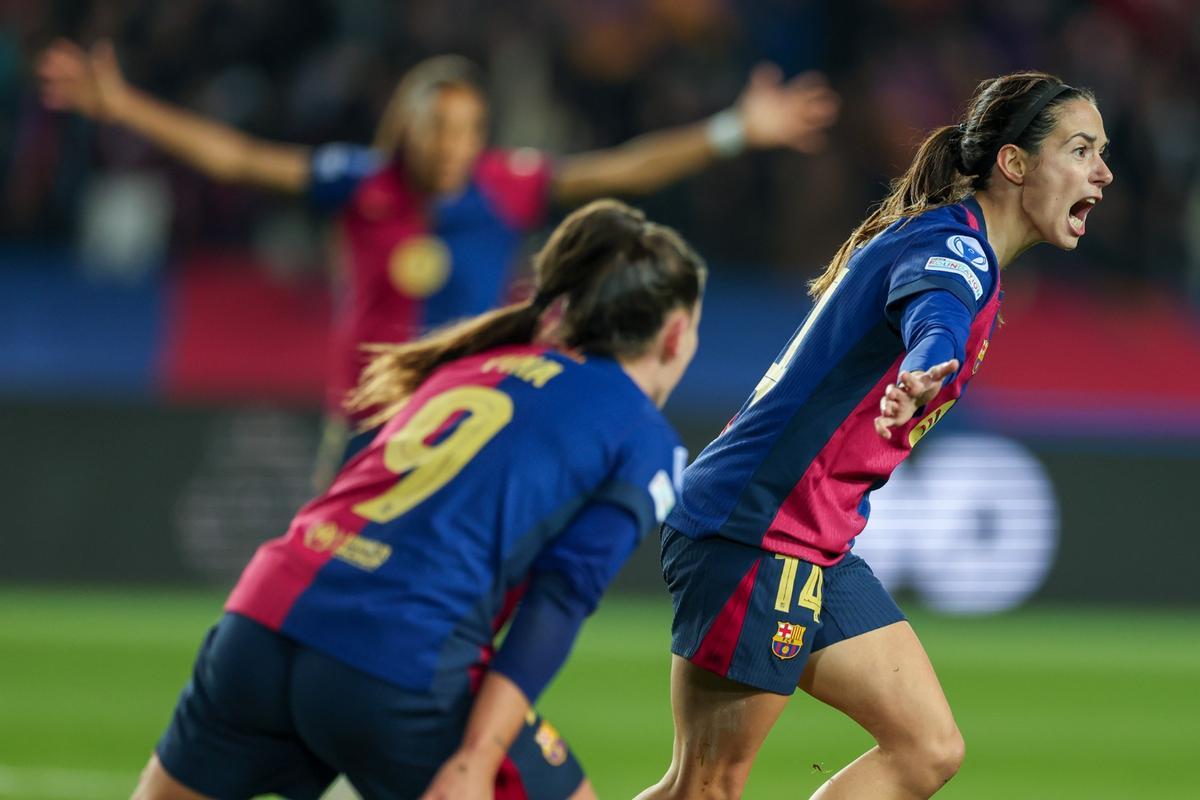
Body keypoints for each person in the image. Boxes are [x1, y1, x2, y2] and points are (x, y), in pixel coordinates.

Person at [37, 40, 836, 483]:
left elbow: (623, 167)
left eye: (467, 129)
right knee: (332, 587)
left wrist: (735, 130)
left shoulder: (502, 187)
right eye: (439, 127)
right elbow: (238, 157)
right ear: (408, 127)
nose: (453, 144)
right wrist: (123, 105)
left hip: (470, 418)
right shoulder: (361, 183)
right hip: (369, 420)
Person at [636, 71, 1112, 800]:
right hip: (758, 530)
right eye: (1081, 150)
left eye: (1101, 153)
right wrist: (925, 364)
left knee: (926, 749)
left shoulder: (957, 245)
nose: (1102, 173)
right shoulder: (955, 250)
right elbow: (936, 314)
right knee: (704, 788)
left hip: (809, 538)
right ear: (1015, 164)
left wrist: (925, 361)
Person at [130, 198, 705, 800]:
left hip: (261, 622)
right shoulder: (644, 439)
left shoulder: (473, 366)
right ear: (674, 336)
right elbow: (560, 599)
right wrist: (476, 756)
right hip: (397, 659)